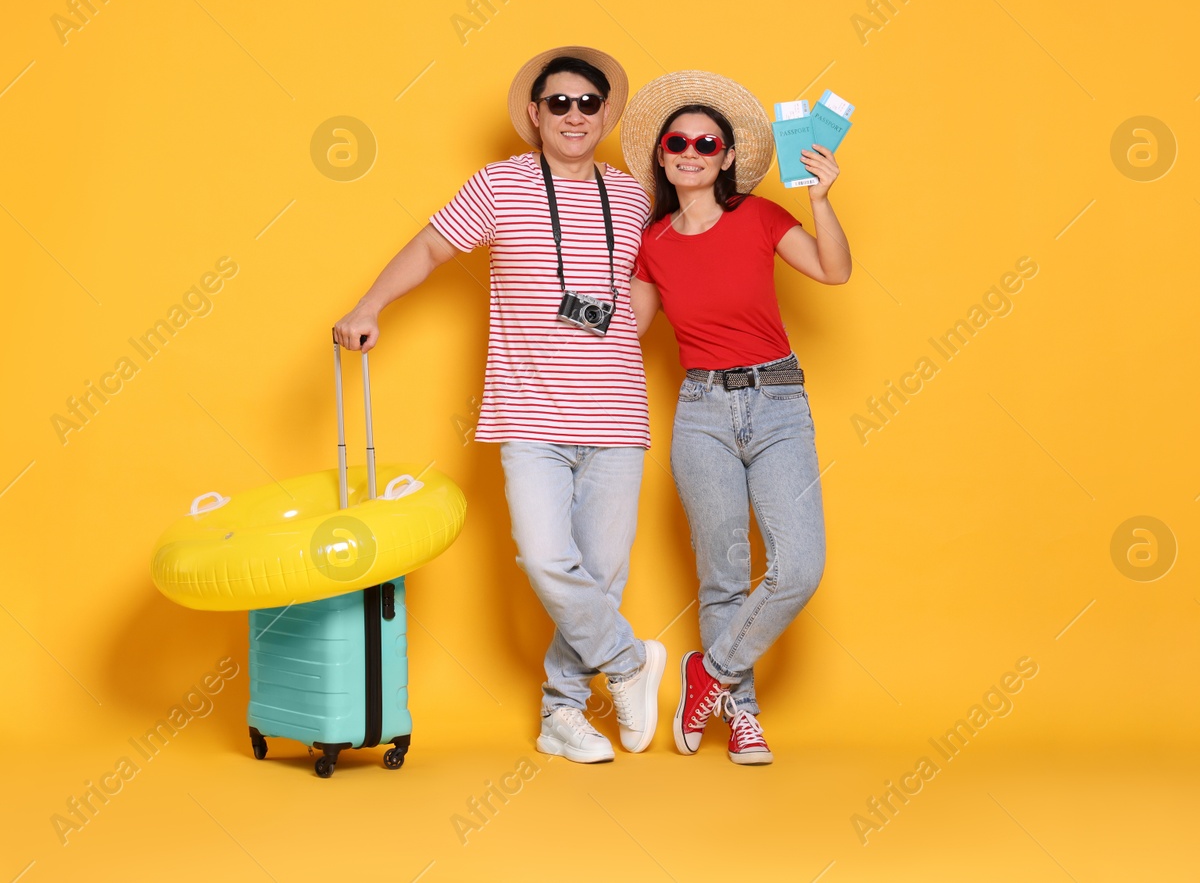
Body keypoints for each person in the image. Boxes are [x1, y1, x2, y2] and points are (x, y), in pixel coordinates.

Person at [333, 46, 666, 763]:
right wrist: (369, 306)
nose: (574, 115)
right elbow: (428, 248)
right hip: (529, 415)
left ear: (606, 114)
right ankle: (631, 660)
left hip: (617, 414)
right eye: (559, 103)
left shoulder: (636, 195)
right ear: (533, 115)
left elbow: (648, 288)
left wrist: (628, 313)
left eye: (588, 103)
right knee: (548, 558)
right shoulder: (499, 185)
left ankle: (562, 712)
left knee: (602, 574)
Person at [623, 71, 852, 764]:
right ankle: (741, 714)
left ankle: (710, 672)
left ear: (725, 156)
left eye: (706, 142)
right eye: (678, 141)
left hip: (779, 402)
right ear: (662, 156)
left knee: (798, 566)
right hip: (701, 412)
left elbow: (834, 270)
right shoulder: (653, 241)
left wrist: (819, 197)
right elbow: (625, 331)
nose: (690, 151)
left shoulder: (759, 217)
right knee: (723, 573)